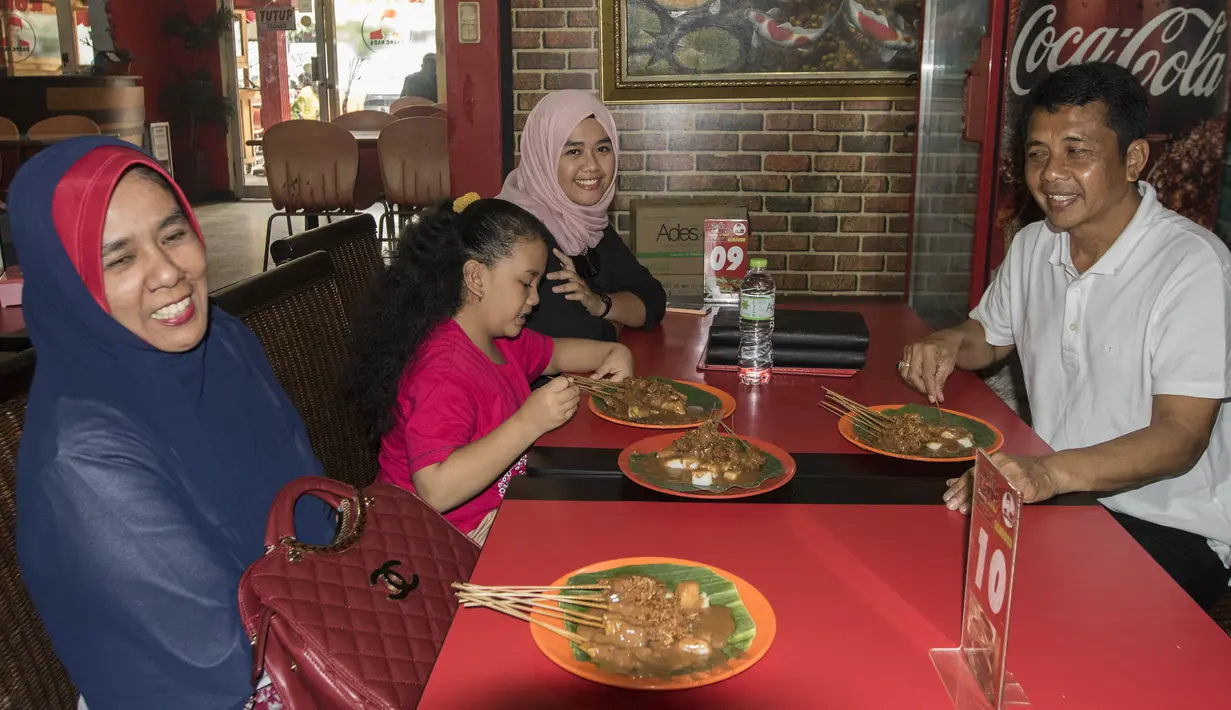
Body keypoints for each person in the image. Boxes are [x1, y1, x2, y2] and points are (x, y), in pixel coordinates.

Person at [11, 137, 337, 709]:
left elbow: (311, 508)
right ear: (67, 284)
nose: (167, 272)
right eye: (119, 258)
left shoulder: (224, 343)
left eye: (173, 234)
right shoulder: (84, 461)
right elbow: (216, 660)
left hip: (317, 640)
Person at [900, 62, 1231, 609]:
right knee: (921, 569)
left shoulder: (1193, 265)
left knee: (1034, 621)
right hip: (1054, 497)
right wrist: (949, 342)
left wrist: (1048, 474)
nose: (1051, 173)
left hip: (1167, 524)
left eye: (1077, 151)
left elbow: (1182, 436)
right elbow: (990, 335)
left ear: (1133, 158)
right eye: (1037, 153)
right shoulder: (1036, 243)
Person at [345, 193, 634, 544]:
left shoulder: (501, 340)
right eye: (525, 283)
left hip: (493, 511)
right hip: (437, 540)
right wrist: (529, 422)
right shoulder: (443, 370)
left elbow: (557, 353)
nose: (535, 298)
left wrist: (613, 352)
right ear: (476, 277)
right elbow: (436, 488)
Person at [498, 90, 666, 343]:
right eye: (573, 152)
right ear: (542, 156)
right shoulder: (516, 232)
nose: (593, 165)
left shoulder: (587, 221)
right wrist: (616, 320)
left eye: (602, 148)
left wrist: (600, 305)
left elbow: (653, 300)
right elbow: (580, 334)